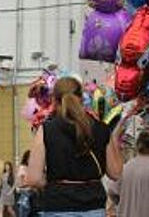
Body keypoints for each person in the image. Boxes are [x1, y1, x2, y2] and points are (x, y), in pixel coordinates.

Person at [28, 77, 123, 216]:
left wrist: (53, 183)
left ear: (54, 100)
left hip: (58, 206)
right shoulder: (101, 129)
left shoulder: (47, 130)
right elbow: (116, 173)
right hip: (94, 207)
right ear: (82, 98)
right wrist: (115, 139)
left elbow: (34, 178)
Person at [16, 150, 36, 217]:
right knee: (25, 212)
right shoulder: (23, 168)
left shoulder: (34, 168)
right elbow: (19, 183)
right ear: (26, 158)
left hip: (34, 193)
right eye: (30, 157)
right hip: (26, 193)